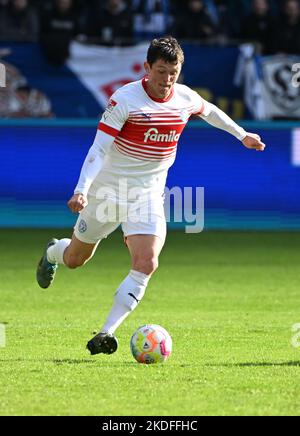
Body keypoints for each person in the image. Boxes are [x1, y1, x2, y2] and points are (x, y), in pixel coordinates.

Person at [36, 36, 266, 356]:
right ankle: (52, 252)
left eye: (173, 72)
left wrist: (242, 136)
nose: (166, 80)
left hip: (148, 196)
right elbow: (99, 148)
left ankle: (105, 333)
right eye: (160, 72)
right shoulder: (124, 100)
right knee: (76, 259)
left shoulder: (183, 97)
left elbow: (210, 111)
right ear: (146, 68)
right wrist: (81, 190)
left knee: (147, 262)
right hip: (108, 193)